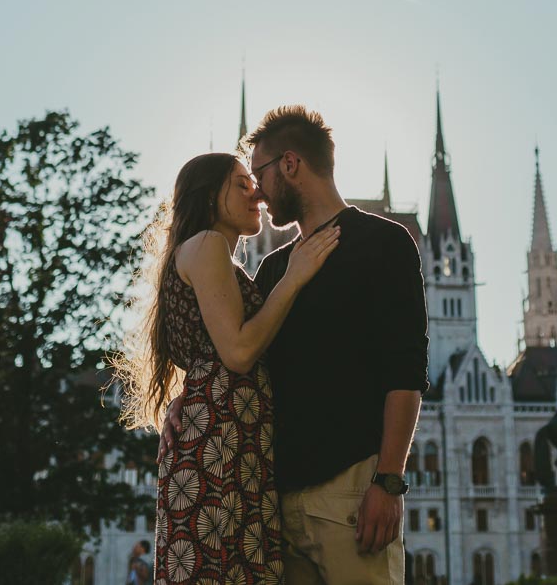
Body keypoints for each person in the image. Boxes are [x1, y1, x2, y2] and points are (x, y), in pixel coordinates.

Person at [117, 152, 342, 585]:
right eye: (241, 184)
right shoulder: (207, 245)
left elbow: (214, 354)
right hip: (220, 448)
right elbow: (238, 352)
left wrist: (187, 394)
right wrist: (293, 277)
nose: (256, 192)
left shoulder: (205, 252)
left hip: (231, 442)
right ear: (209, 197)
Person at [244, 105, 430, 585]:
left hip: (352, 496)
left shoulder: (383, 242)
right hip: (278, 506)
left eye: (258, 173)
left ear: (290, 164)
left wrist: (388, 482)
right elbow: (247, 365)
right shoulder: (272, 270)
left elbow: (405, 371)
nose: (257, 192)